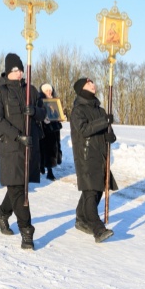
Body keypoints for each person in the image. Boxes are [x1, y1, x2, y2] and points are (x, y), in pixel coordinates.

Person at [0, 53, 46, 251]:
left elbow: (44, 113)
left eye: (20, 69)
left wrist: (35, 112)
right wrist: (17, 135)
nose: (19, 73)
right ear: (7, 72)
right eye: (15, 70)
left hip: (29, 146)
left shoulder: (31, 90)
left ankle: (1, 215)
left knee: (18, 186)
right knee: (18, 190)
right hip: (10, 147)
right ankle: (26, 230)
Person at [71, 77, 117, 243]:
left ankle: (81, 218)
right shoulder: (78, 110)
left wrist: (110, 136)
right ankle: (98, 230)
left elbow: (107, 133)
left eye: (93, 82)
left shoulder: (100, 110)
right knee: (91, 192)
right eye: (89, 83)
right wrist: (104, 121)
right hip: (86, 156)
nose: (93, 84)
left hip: (100, 156)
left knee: (96, 191)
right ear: (82, 88)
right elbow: (84, 130)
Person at [39, 83, 63, 181]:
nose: (49, 92)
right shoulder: (40, 101)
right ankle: (45, 169)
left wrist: (60, 117)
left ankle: (48, 169)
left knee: (53, 149)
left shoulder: (55, 101)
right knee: (44, 150)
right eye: (47, 91)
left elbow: (57, 114)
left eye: (50, 90)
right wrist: (44, 119)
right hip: (44, 130)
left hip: (54, 130)